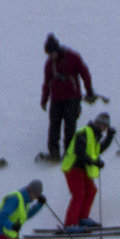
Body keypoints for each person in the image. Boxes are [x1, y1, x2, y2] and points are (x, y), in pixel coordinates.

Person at [40, 33, 96, 162]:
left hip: (72, 98)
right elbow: (47, 83)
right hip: (56, 99)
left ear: (57, 49)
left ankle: (69, 152)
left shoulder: (72, 57)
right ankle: (54, 152)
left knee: (70, 126)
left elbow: (84, 73)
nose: (51, 56)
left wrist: (89, 90)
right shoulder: (49, 64)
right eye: (49, 54)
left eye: (52, 53)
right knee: (54, 126)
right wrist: (44, 100)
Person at [60, 112, 115, 230]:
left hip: (83, 168)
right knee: (79, 194)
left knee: (91, 191)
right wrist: (93, 162)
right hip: (73, 167)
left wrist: (109, 137)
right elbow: (79, 151)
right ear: (97, 123)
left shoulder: (95, 135)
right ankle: (70, 224)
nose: (103, 127)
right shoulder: (85, 132)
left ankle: (82, 218)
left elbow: (98, 150)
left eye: (105, 126)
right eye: (102, 124)